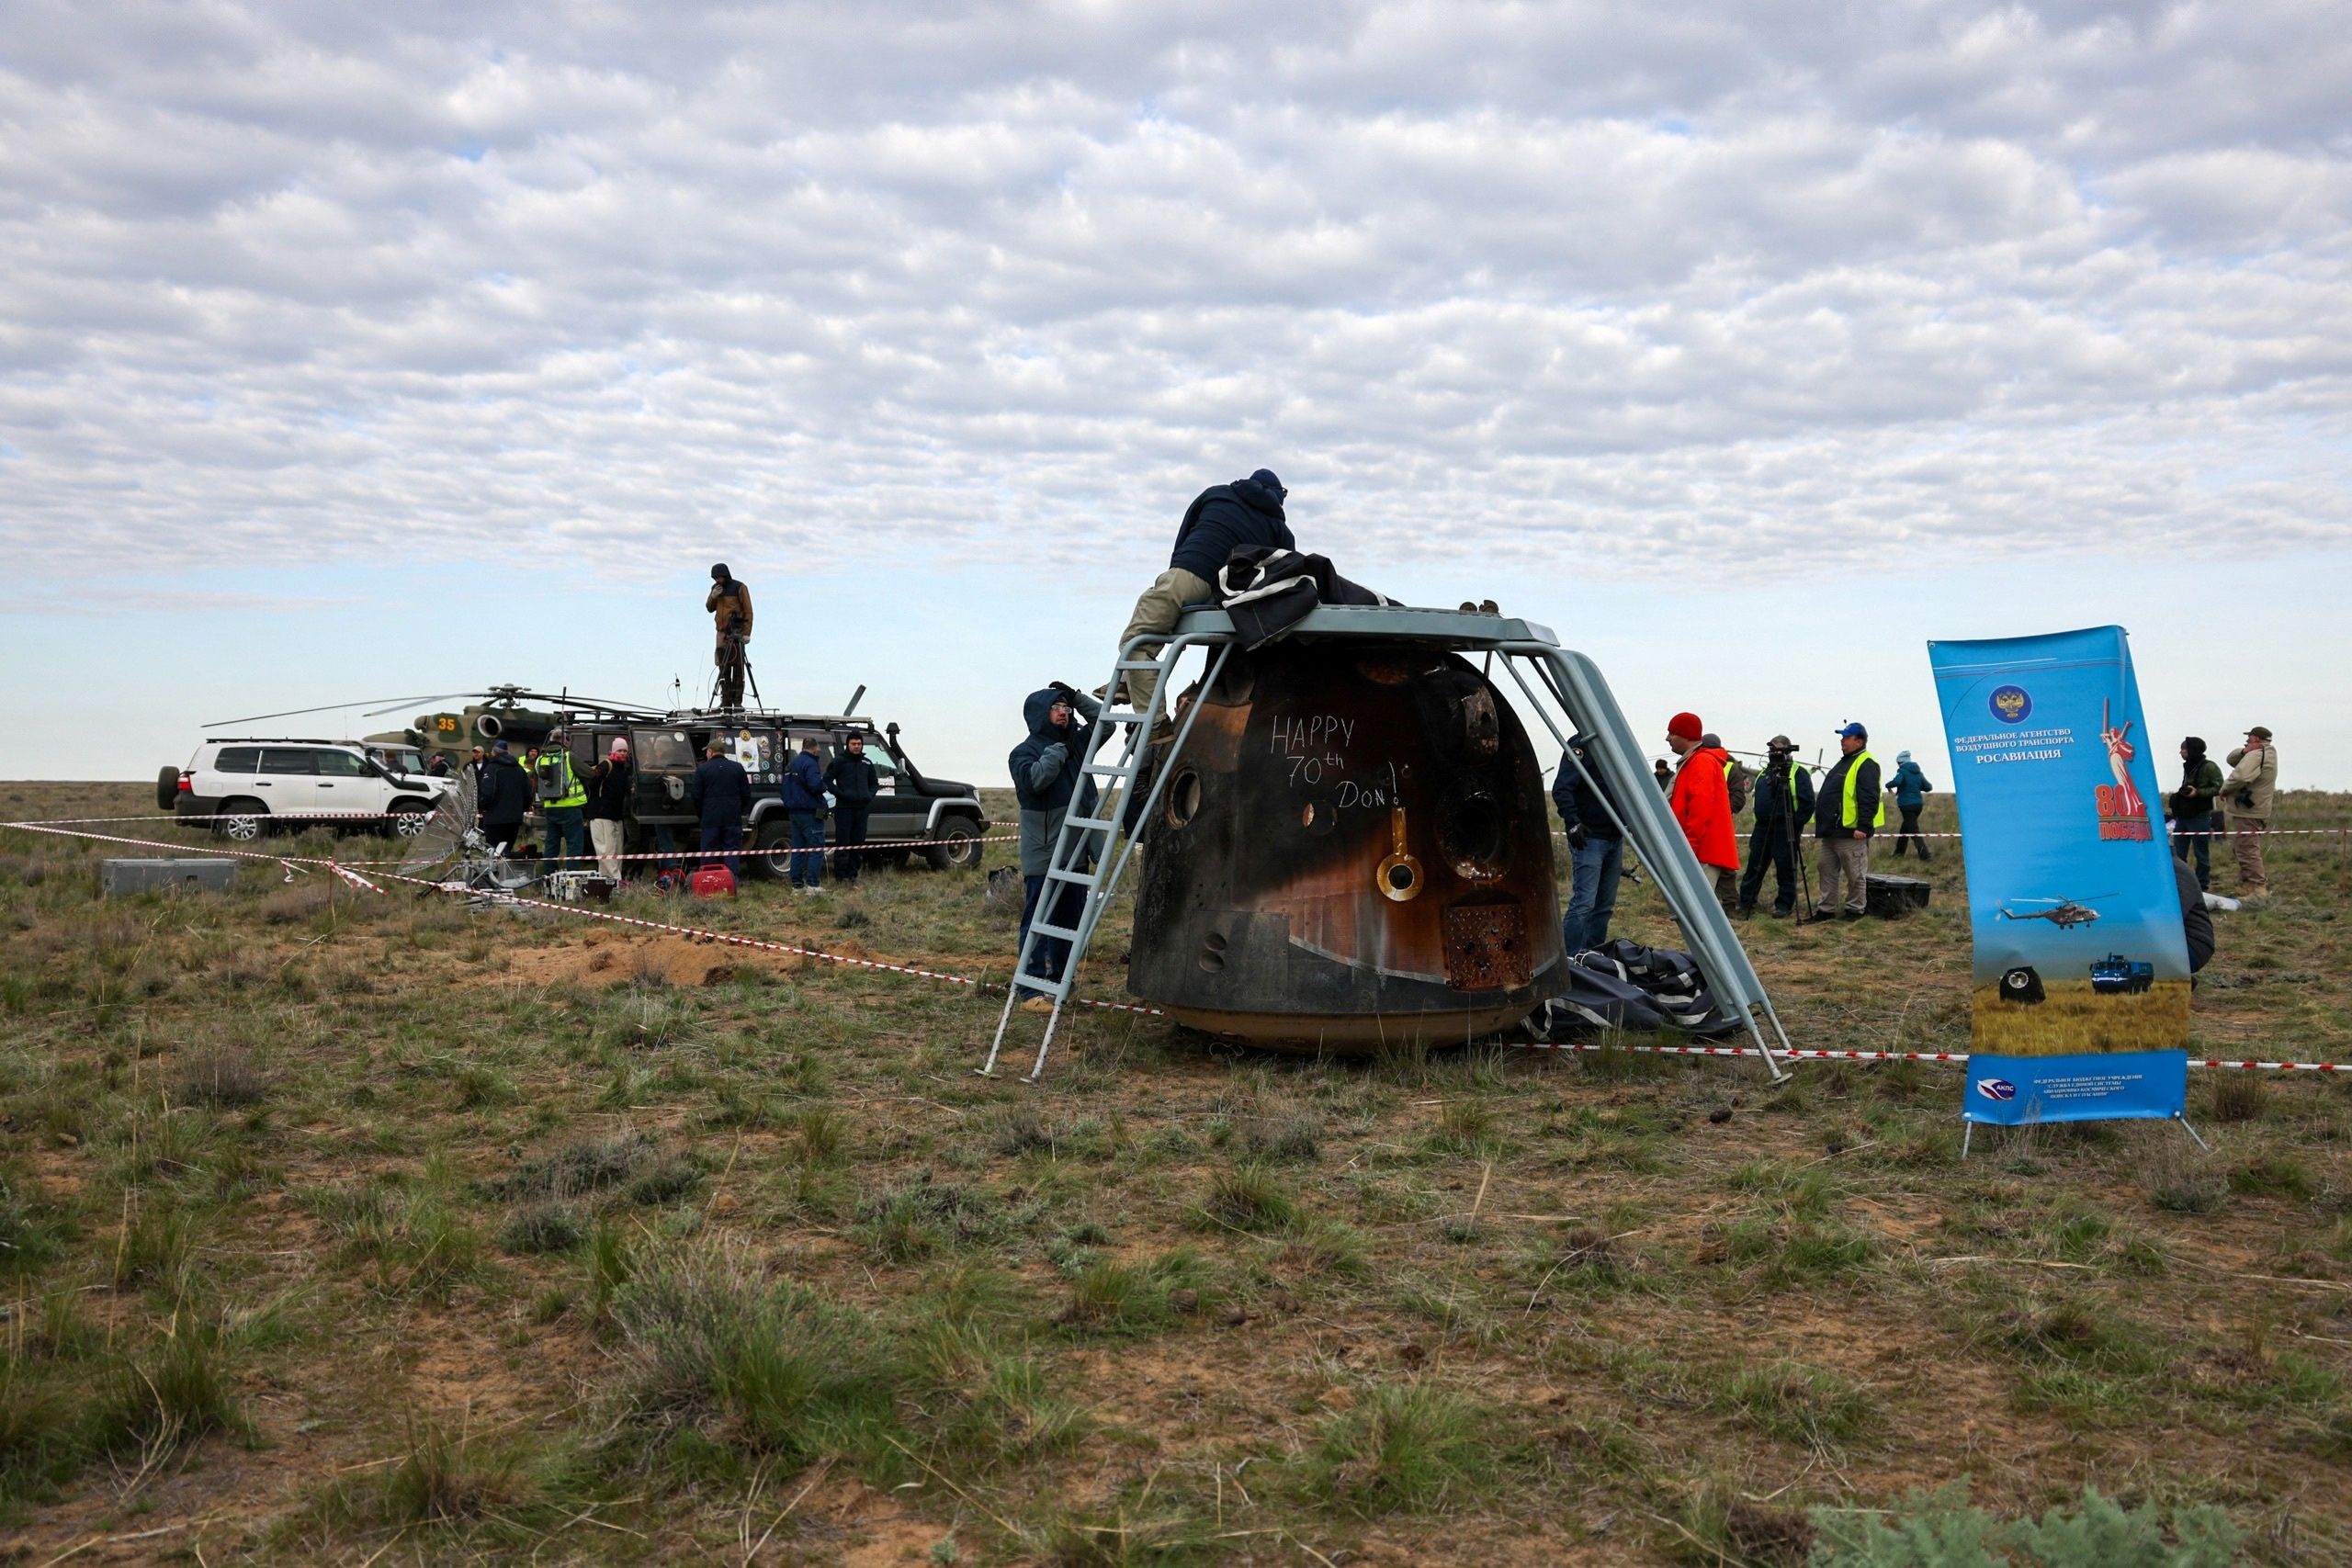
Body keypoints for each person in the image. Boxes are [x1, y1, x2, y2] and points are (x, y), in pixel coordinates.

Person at [1116, 469, 1293, 713]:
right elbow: (1283, 572)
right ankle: (1127, 684)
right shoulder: (1280, 529)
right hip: (1228, 597)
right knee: (1144, 640)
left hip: (1191, 571)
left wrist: (1178, 571)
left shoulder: (1217, 495)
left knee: (1137, 642)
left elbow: (1184, 534)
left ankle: (1154, 725)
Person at [1009, 682, 1102, 1010]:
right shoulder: (1023, 752)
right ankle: (1030, 990)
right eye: (1057, 707)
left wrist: (1078, 696)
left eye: (1067, 707)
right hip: (1045, 854)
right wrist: (1057, 751)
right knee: (1036, 920)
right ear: (1040, 714)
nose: (1064, 712)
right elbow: (1035, 782)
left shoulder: (1076, 743)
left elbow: (1106, 722)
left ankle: (1061, 981)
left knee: (1068, 922)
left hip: (1075, 852)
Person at [1551, 736, 1625, 953]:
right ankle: (1569, 960)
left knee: (1605, 906)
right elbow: (1562, 788)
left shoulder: (1616, 747)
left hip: (1614, 836)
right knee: (1584, 903)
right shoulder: (1582, 745)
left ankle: (1594, 957)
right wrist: (1573, 821)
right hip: (1590, 838)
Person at [1664, 712, 1738, 911]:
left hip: (1702, 851)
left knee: (1698, 910)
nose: (1668, 738)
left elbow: (1700, 808)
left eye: (1672, 733)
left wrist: (1690, 847)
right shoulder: (1695, 761)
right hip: (1701, 849)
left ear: (1686, 735)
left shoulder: (1701, 762)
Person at [1737, 735, 1816, 919]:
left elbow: (1808, 803)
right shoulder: (1765, 773)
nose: (1774, 753)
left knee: (1785, 868)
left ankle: (1784, 905)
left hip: (1785, 827)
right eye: (1772, 749)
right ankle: (1746, 902)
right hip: (1763, 827)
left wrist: (1795, 824)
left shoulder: (1798, 772)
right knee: (1754, 866)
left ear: (1788, 751)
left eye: (1778, 749)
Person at [1813, 723, 1883, 919]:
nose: (1842, 741)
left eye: (1846, 737)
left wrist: (1863, 826)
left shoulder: (1866, 763)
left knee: (1855, 874)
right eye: (1842, 737)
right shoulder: (1844, 762)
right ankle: (1826, 910)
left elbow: (1869, 797)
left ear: (1858, 741)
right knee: (1825, 869)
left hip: (1851, 832)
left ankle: (1855, 910)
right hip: (1831, 832)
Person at [2222, 727, 2278, 897]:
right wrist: (2246, 751)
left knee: (2247, 849)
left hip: (2248, 812)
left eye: (2249, 738)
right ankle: (2248, 885)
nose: (2246, 741)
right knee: (2244, 847)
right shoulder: (2268, 753)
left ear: (2257, 739)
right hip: (2258, 809)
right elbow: (2231, 759)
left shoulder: (2257, 755)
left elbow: (2240, 776)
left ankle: (2257, 889)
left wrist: (2224, 789)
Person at [2167, 737, 2225, 891]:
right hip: (2183, 816)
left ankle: (2202, 884)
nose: (2180, 752)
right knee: (2178, 853)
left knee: (2201, 853)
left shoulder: (2209, 767)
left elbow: (2220, 787)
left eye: (2183, 749)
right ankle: (2181, 883)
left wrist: (2198, 793)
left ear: (2192, 750)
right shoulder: (2189, 766)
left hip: (2200, 816)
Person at [689, 738, 750, 878]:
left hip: (710, 819)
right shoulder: (737, 768)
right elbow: (746, 794)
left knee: (710, 851)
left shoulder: (702, 769)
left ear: (710, 752)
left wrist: (702, 813)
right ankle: (730, 881)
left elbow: (696, 796)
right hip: (732, 818)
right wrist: (738, 810)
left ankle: (710, 881)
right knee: (732, 851)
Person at [824, 732, 878, 885]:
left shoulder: (867, 763)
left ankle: (852, 875)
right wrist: (840, 794)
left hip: (862, 809)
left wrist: (869, 795)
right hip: (844, 809)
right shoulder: (839, 762)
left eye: (859, 744)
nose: (856, 746)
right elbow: (827, 780)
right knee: (843, 843)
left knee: (858, 842)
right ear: (848, 745)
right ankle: (841, 876)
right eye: (853, 744)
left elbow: (874, 783)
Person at [530, 730, 588, 874]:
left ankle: (549, 874)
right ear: (565, 741)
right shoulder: (569, 757)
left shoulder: (540, 759)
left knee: (551, 843)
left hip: (551, 808)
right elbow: (589, 773)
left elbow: (538, 780)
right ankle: (572, 875)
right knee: (574, 843)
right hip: (570, 808)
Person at [781, 736, 829, 892]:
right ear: (815, 748)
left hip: (794, 812)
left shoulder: (791, 764)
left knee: (798, 849)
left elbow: (784, 789)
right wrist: (824, 786)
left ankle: (797, 885)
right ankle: (813, 885)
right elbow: (815, 785)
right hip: (810, 812)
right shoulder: (811, 763)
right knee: (816, 849)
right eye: (819, 750)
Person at [707, 563, 754, 709]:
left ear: (725, 575)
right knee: (723, 667)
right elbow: (709, 608)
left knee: (738, 667)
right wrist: (713, 596)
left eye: (719, 577)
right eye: (715, 578)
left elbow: (748, 611)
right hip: (721, 633)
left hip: (736, 633)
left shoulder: (739, 587)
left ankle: (737, 700)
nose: (717, 581)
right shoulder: (715, 589)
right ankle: (725, 700)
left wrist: (747, 633)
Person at [585, 739, 632, 882]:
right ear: (613, 751)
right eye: (620, 750)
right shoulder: (606, 765)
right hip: (601, 815)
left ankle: (606, 883)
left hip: (616, 816)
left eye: (625, 751)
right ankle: (616, 881)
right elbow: (591, 783)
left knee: (616, 852)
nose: (622, 753)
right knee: (606, 851)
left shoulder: (624, 769)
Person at [476, 739, 530, 856]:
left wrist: (482, 806)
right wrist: (522, 810)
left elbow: (487, 793)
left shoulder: (492, 769)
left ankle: (497, 874)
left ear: (494, 752)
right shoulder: (520, 770)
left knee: (494, 852)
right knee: (507, 851)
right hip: (514, 820)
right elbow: (527, 793)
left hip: (495, 819)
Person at [1884, 750, 1935, 861]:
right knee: (1905, 829)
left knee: (1914, 831)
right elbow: (1928, 787)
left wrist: (1887, 785)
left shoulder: (1902, 772)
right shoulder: (1918, 773)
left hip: (1906, 805)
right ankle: (1899, 853)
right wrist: (1915, 786)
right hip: (1918, 805)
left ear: (1900, 762)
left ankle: (1925, 856)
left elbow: (1897, 782)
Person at [2174, 853, 2215, 976]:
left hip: (2192, 944)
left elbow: (2170, 918)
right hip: (2168, 939)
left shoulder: (2175, 870)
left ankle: (2175, 981)